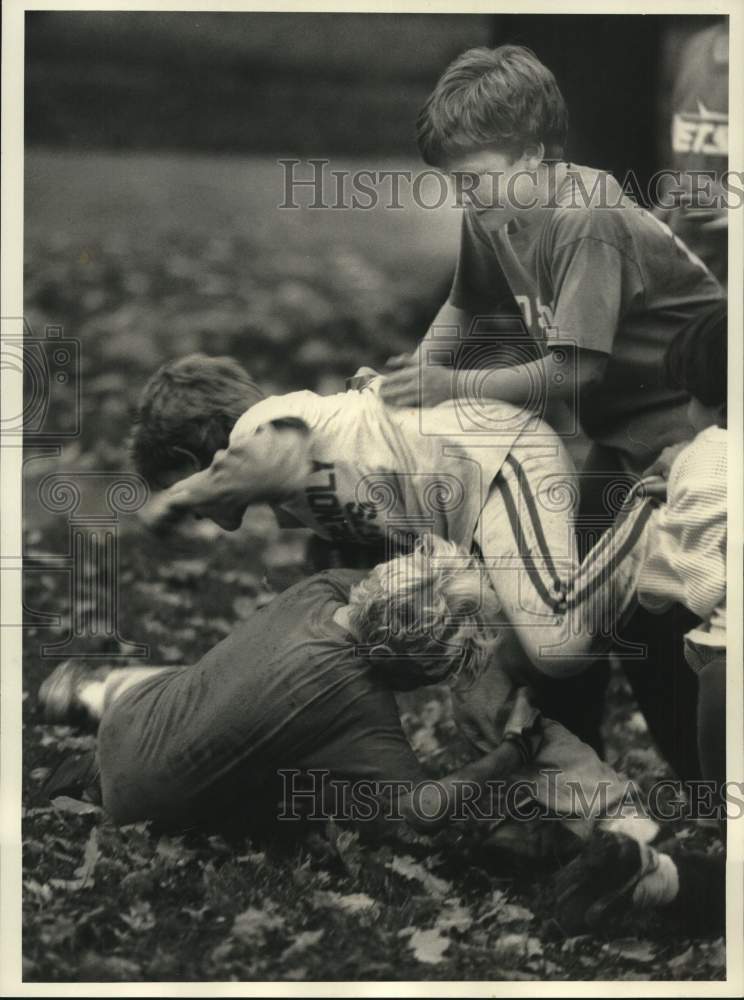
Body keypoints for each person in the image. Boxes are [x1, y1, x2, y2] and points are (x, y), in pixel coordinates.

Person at [377, 43, 724, 775]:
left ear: (533, 154)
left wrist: (452, 390)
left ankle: (700, 785)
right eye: (456, 183)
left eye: (474, 180)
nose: (464, 197)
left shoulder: (585, 218)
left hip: (697, 422)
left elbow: (570, 372)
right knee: (574, 605)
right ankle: (571, 777)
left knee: (659, 605)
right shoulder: (494, 207)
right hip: (626, 431)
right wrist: (417, 375)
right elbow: (466, 304)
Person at [130, 353, 659, 753]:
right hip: (472, 515)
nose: (201, 518)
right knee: (485, 691)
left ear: (191, 455)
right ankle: (557, 801)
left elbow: (274, 456)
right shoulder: (303, 494)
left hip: (501, 464)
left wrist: (178, 498)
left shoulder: (264, 426)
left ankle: (654, 511)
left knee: (559, 646)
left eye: (184, 479)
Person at [38, 536, 620, 848]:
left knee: (201, 683)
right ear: (417, 670)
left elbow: (379, 584)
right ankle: (104, 752)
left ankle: (91, 695)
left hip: (133, 720)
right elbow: (426, 810)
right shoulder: (361, 711)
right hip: (147, 809)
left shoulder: (319, 594)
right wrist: (514, 751)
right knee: (323, 795)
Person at [551, 302, 728, 935]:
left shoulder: (706, 457)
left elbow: (661, 590)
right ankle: (672, 879)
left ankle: (662, 876)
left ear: (708, 407)